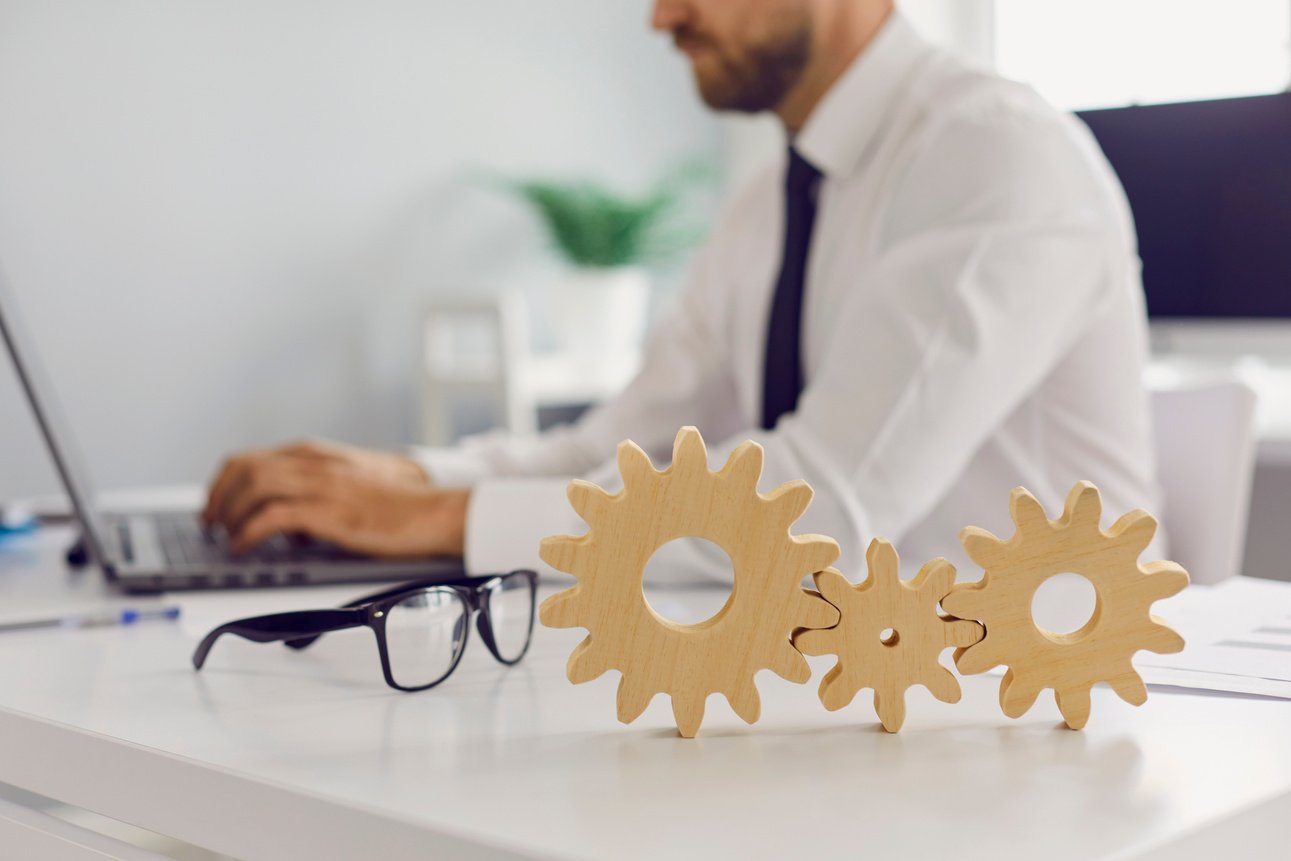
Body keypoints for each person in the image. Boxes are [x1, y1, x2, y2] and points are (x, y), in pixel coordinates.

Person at [203, 0, 1165, 581]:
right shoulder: (766, 204)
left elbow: (820, 507)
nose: (660, 17)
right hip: (845, 694)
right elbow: (620, 448)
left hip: (1024, 716)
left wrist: (445, 522)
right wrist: (408, 481)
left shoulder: (994, 154)